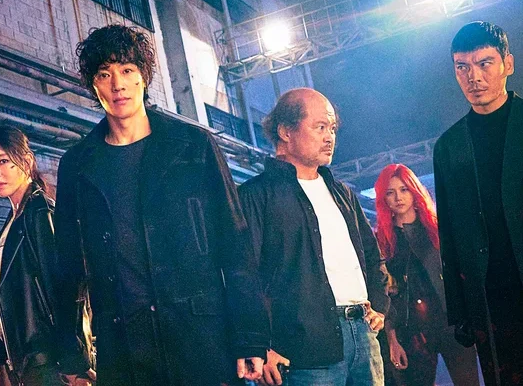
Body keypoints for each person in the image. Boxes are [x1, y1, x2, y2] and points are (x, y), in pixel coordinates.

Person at [54, 24, 269, 386]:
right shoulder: (77, 165)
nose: (117, 84)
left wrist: (250, 336)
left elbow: (235, 244)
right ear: (93, 85)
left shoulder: (193, 146)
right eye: (104, 74)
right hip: (124, 345)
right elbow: (67, 263)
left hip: (199, 338)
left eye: (127, 70)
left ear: (143, 77)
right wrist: (69, 349)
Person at [238, 88, 389, 386]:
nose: (329, 137)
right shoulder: (255, 195)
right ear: (285, 131)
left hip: (363, 335)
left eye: (332, 128)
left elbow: (372, 256)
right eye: (319, 127)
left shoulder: (343, 193)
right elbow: (244, 275)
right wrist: (260, 345)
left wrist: (381, 305)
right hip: (300, 351)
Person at [0, 125, 92, 385]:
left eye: (3, 161)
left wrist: (74, 363)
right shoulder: (14, 220)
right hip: (24, 362)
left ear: (26, 160)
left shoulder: (40, 213)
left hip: (49, 362)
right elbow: (25, 286)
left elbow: (67, 288)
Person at [434, 21, 523, 385]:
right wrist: (460, 311)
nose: (474, 77)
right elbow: (449, 234)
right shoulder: (449, 146)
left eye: (485, 63)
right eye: (462, 67)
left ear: (507, 64)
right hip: (489, 300)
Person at [374, 164, 480, 385]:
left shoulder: (437, 229)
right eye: (390, 192)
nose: (398, 198)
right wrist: (392, 339)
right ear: (384, 198)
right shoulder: (381, 241)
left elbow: (461, 276)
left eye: (404, 189)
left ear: (414, 190)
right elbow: (385, 292)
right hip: (411, 331)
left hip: (451, 323)